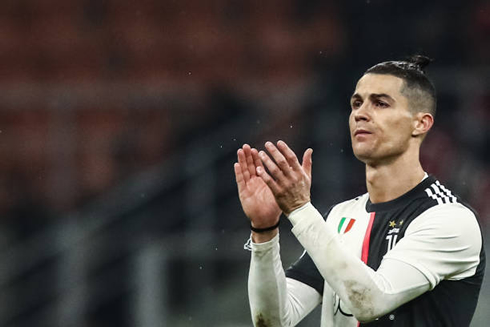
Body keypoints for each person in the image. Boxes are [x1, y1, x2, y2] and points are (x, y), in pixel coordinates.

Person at [234, 55, 485, 327]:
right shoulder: (339, 217)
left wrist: (299, 209)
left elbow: (371, 302)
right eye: (356, 103)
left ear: (420, 123)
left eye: (380, 103)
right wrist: (264, 231)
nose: (360, 113)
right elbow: (272, 321)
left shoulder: (450, 220)